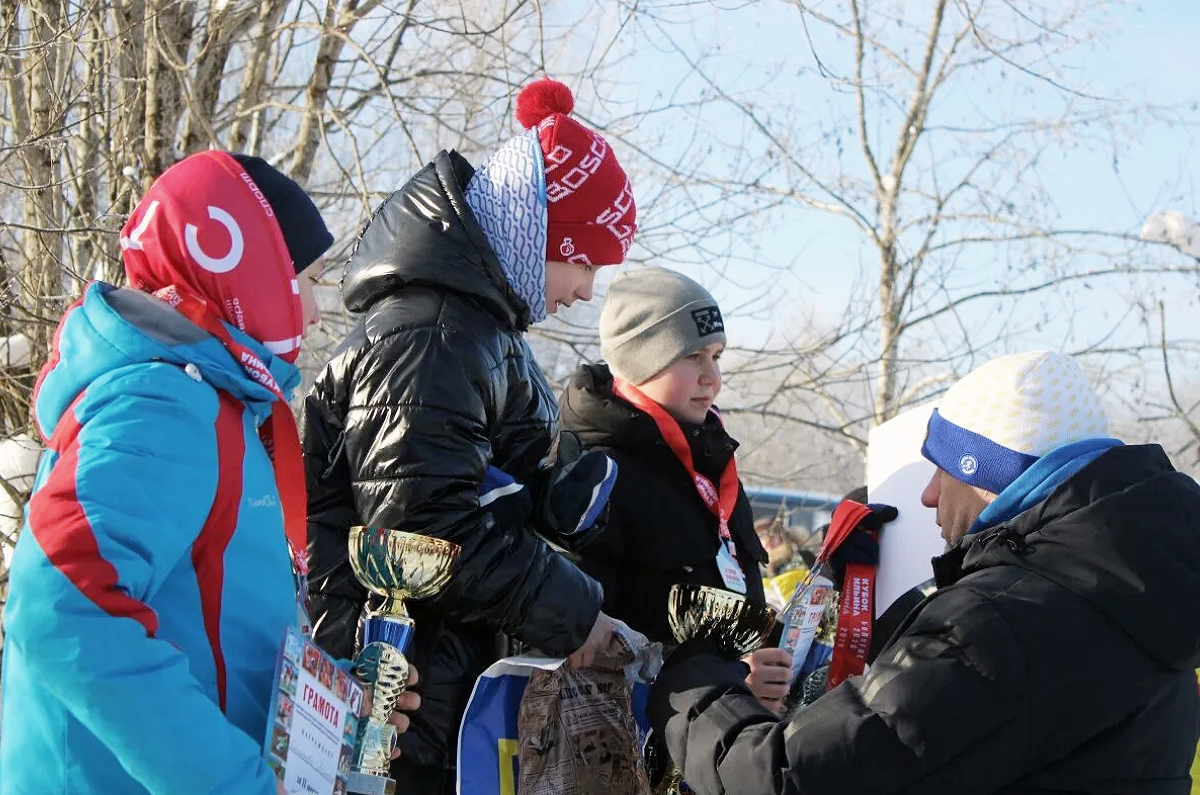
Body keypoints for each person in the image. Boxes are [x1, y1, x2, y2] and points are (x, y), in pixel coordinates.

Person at [0, 152, 417, 795]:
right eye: (304, 279)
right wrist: (232, 781)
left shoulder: (214, 405)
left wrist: (332, 698)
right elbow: (61, 610)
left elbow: (218, 622)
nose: (310, 311)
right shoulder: (161, 404)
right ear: (246, 274)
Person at [648, 350, 1200, 795]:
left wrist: (692, 680)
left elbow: (789, 776)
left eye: (941, 466)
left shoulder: (1001, 621)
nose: (929, 494)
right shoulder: (1138, 592)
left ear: (987, 471)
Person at [303, 77, 637, 794]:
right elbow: (423, 529)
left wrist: (544, 495)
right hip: (393, 704)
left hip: (445, 687)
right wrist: (574, 611)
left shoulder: (481, 329)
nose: (585, 289)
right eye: (585, 259)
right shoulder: (431, 335)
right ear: (542, 232)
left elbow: (461, 486)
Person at [558, 266, 793, 714]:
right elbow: (579, 648)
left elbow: (729, 608)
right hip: (632, 752)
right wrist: (730, 683)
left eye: (717, 357)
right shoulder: (594, 473)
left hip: (718, 743)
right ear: (643, 358)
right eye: (694, 357)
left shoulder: (713, 465)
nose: (713, 378)